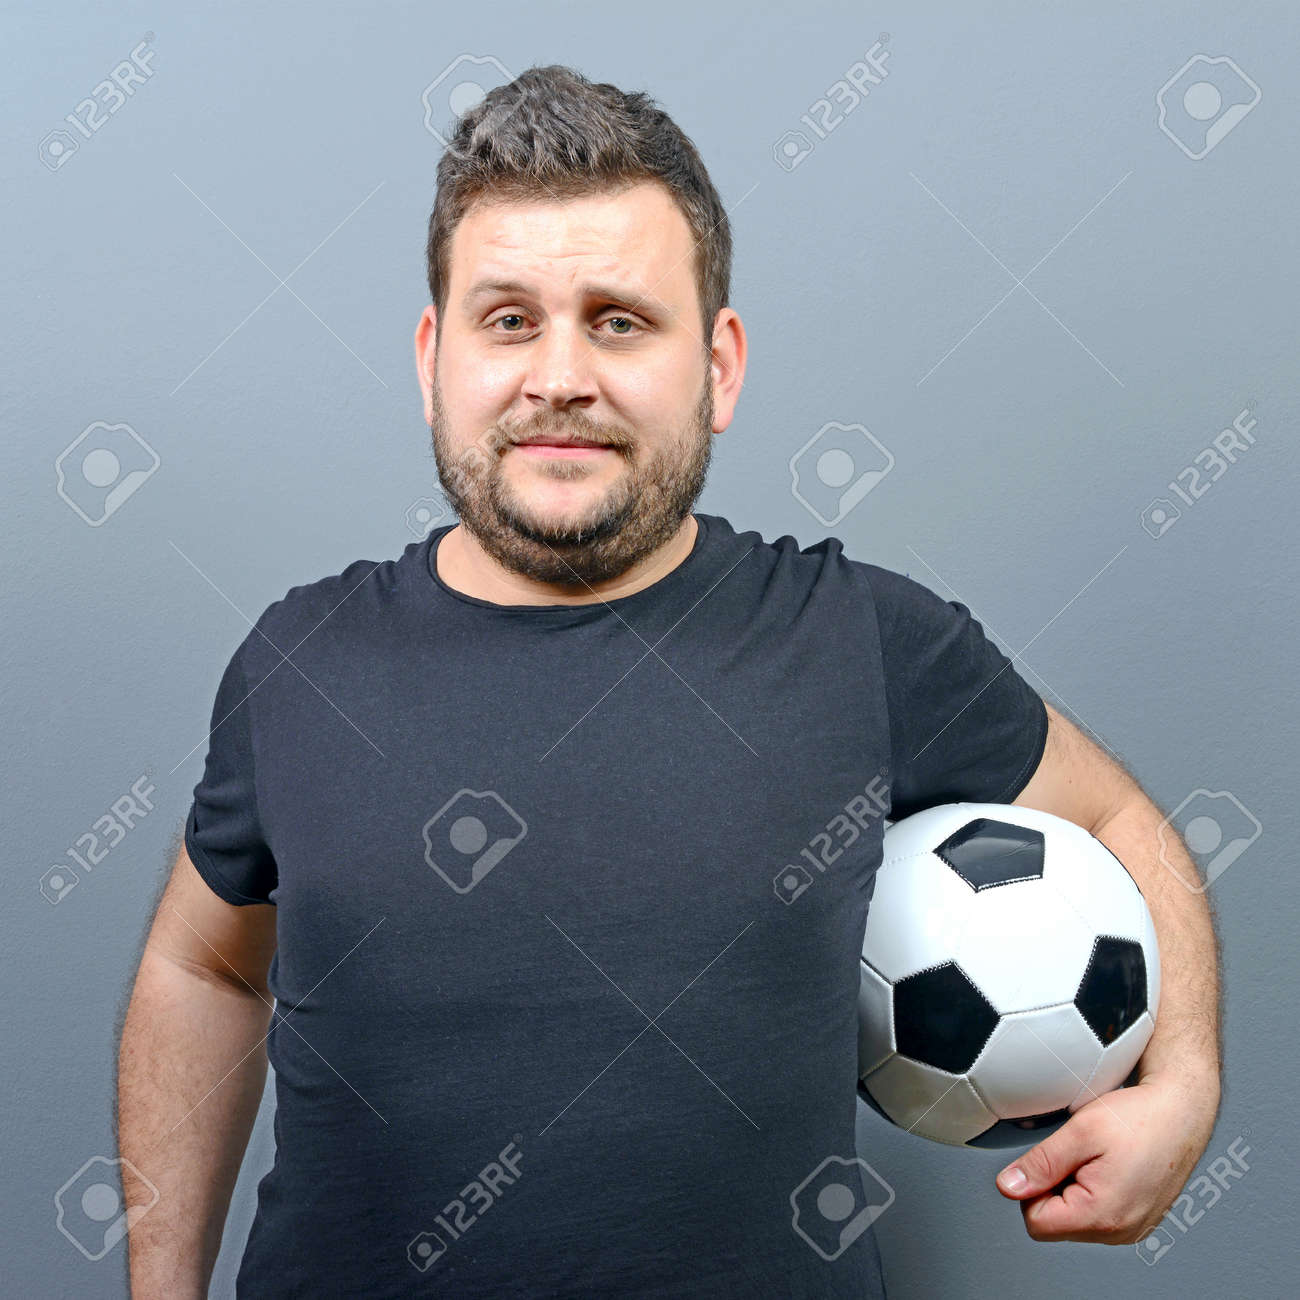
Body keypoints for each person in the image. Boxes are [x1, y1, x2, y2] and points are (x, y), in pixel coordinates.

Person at [117, 64, 1222, 1299]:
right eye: (508, 319)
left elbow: (1123, 821)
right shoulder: (300, 661)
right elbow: (203, 966)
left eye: (620, 319)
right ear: (433, 357)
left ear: (722, 365)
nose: (559, 378)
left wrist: (1180, 1085)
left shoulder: (859, 637)